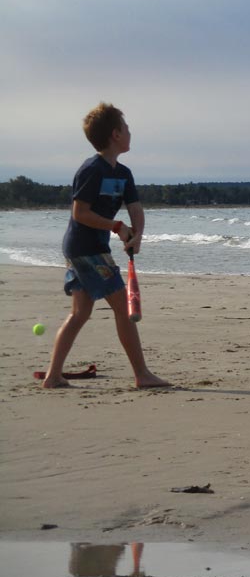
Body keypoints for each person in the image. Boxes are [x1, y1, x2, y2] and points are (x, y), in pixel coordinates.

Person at [40, 103, 171, 388]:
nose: (129, 132)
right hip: (85, 248)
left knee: (80, 313)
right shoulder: (92, 170)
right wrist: (116, 227)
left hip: (88, 249)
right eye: (126, 128)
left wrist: (137, 235)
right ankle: (142, 375)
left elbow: (135, 208)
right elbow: (80, 213)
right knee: (123, 309)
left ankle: (53, 377)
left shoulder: (123, 173)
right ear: (115, 134)